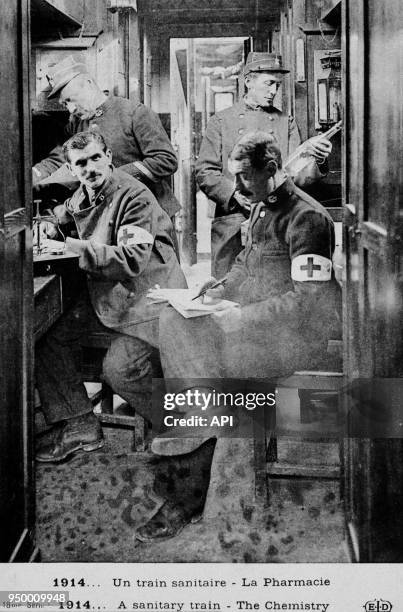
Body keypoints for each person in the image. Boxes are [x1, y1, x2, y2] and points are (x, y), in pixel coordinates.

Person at [136, 131, 341, 542]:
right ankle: (195, 439)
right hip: (257, 325)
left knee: (201, 366)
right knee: (176, 324)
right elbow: (247, 267)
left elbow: (312, 303)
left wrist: (243, 317)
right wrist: (218, 289)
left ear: (271, 169)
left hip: (295, 337)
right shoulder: (262, 209)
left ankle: (187, 487)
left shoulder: (307, 218)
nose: (240, 187)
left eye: (245, 177)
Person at [35, 130, 186, 463]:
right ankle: (80, 425)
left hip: (149, 302)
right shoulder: (84, 193)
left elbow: (131, 259)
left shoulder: (134, 196)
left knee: (120, 370)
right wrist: (52, 225)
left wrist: (69, 246)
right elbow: (70, 214)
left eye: (95, 158)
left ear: (108, 157)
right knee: (46, 335)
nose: (90, 168)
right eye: (80, 164)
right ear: (72, 171)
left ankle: (184, 428)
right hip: (111, 299)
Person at [195, 52, 333, 279]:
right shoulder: (221, 121)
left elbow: (296, 176)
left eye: (277, 85)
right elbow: (204, 171)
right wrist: (233, 195)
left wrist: (317, 158)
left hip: (277, 218)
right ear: (248, 81)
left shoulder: (285, 121)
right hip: (233, 218)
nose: (273, 91)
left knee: (270, 286)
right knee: (227, 285)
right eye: (269, 83)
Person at [32, 55, 180, 222]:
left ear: (88, 83)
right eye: (65, 104)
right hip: (110, 215)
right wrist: (32, 176)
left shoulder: (135, 113)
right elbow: (60, 159)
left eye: (70, 100)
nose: (71, 109)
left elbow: (166, 160)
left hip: (150, 211)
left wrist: (109, 177)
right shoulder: (76, 123)